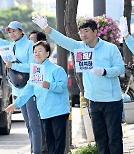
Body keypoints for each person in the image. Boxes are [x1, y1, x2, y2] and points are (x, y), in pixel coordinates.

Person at [32, 14, 125, 154]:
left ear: (95, 32)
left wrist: (104, 71)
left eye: (86, 31)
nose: (83, 34)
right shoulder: (80, 47)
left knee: (114, 137)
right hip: (93, 100)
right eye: (81, 32)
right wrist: (47, 28)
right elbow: (63, 41)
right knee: (100, 138)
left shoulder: (110, 48)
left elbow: (120, 69)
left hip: (111, 100)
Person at [0, 16, 42, 154]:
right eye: (9, 32)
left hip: (30, 88)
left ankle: (37, 151)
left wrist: (14, 66)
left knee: (34, 124)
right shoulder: (10, 46)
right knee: (28, 124)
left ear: (21, 31)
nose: (11, 34)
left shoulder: (29, 45)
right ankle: (33, 150)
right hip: (18, 89)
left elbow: (32, 67)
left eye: (14, 31)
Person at [5, 41, 70, 154]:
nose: (37, 53)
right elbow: (28, 90)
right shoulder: (36, 71)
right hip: (44, 112)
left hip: (58, 111)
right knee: (49, 141)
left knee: (58, 141)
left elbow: (62, 87)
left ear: (48, 53)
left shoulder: (57, 69)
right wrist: (15, 104)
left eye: (40, 51)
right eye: (35, 51)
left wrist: (50, 85)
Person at [28, 30, 48, 154]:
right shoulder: (30, 59)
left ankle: (43, 150)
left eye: (32, 40)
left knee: (41, 126)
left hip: (44, 100)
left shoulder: (47, 66)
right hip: (30, 95)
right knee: (32, 126)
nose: (30, 44)